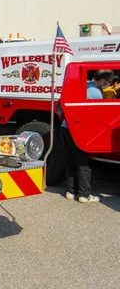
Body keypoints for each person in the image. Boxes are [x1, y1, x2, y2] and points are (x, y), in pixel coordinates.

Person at [60, 69, 114, 204]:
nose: (108, 84)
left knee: (69, 160)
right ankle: (84, 194)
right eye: (108, 82)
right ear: (103, 80)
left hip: (65, 126)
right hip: (78, 130)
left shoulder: (83, 84)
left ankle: (70, 191)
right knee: (82, 162)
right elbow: (101, 113)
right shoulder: (96, 92)